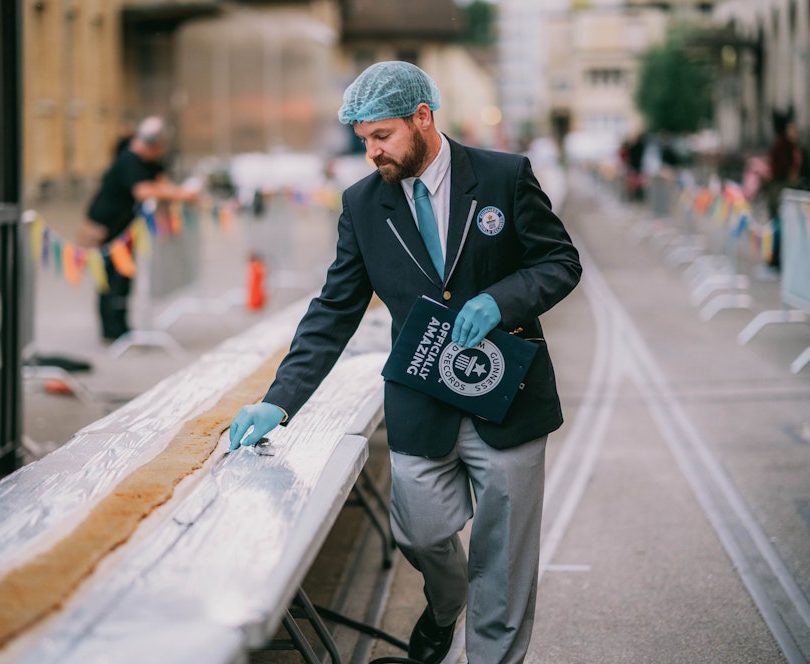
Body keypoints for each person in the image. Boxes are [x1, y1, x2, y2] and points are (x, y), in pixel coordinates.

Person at [229, 61, 581, 663]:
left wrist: (499, 301)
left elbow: (559, 262)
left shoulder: (504, 176)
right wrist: (279, 399)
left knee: (505, 560)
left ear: (423, 117)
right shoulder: (363, 205)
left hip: (509, 401)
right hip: (421, 403)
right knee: (418, 531)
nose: (371, 152)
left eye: (382, 136)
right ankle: (446, 607)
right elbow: (334, 310)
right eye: (363, 140)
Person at [78, 116, 198, 341]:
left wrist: (179, 192)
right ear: (153, 145)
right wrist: (182, 194)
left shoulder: (148, 160)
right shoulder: (129, 159)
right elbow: (143, 191)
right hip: (103, 226)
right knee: (109, 278)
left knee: (122, 277)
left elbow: (161, 182)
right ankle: (111, 330)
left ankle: (120, 328)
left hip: (123, 229)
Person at [766, 117, 805, 268]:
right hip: (780, 192)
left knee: (788, 228)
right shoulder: (782, 146)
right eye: (792, 130)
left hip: (789, 192)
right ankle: (775, 258)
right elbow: (779, 170)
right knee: (778, 227)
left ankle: (783, 258)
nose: (794, 133)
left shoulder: (794, 147)